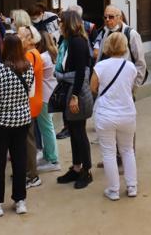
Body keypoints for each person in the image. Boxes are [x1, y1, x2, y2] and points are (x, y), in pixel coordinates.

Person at [0, 34, 35, 218]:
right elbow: (31, 93)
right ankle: (20, 201)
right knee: (19, 160)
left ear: (5, 48)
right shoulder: (29, 68)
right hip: (22, 121)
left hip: (0, 123)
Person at [90, 32, 138, 201]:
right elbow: (130, 86)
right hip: (127, 112)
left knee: (109, 153)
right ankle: (132, 186)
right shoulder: (131, 67)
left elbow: (93, 87)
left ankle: (114, 189)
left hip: (106, 114)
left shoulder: (101, 66)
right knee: (128, 150)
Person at [55, 10, 94, 189]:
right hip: (67, 87)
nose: (59, 25)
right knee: (72, 130)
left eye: (61, 22)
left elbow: (81, 72)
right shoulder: (66, 41)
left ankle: (86, 170)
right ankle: (76, 167)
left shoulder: (78, 42)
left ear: (68, 23)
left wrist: (75, 97)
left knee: (79, 132)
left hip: (77, 90)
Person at [17, 25, 44, 189]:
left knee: (28, 139)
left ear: (30, 39)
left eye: (20, 36)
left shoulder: (29, 55)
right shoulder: (33, 54)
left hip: (30, 101)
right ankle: (27, 171)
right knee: (27, 138)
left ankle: (32, 175)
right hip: (32, 100)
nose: (17, 39)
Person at [94, 5, 147, 87]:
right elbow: (100, 56)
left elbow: (140, 62)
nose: (107, 20)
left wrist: (134, 86)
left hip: (124, 84)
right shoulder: (105, 32)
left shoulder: (131, 34)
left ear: (120, 18)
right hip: (106, 83)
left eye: (111, 17)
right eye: (105, 17)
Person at [35, 30, 61, 173]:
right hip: (51, 94)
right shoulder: (53, 54)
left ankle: (52, 159)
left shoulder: (42, 57)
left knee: (46, 128)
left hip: (44, 97)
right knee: (47, 127)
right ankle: (48, 156)